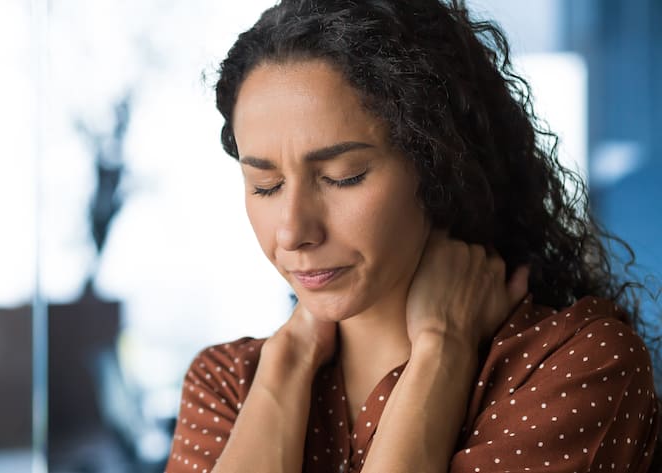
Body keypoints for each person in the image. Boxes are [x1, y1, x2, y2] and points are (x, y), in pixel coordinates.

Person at [165, 1, 660, 472]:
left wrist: (441, 352)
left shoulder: (573, 365)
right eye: (265, 185)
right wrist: (287, 361)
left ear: (439, 165)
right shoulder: (227, 384)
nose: (293, 231)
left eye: (342, 176)